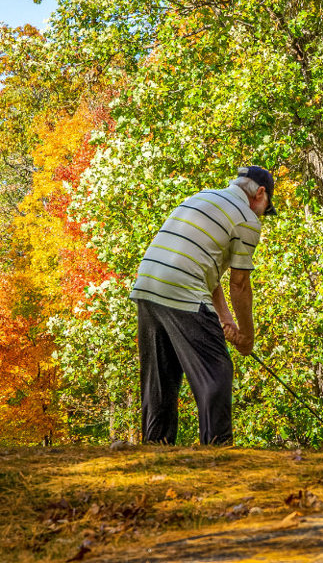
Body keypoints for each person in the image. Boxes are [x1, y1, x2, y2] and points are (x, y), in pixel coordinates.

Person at [132, 166, 275, 445]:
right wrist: (246, 336)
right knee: (216, 371)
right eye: (266, 208)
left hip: (148, 284)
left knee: (161, 378)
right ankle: (218, 447)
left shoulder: (203, 197)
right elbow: (240, 284)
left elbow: (209, 274)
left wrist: (226, 320)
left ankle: (155, 448)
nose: (262, 215)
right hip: (183, 290)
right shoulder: (246, 218)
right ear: (260, 193)